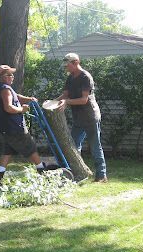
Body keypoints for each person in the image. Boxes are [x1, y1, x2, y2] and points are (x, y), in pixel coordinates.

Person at [55, 53, 107, 183]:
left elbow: (84, 100)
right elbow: (65, 94)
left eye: (68, 65)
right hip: (78, 118)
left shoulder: (85, 77)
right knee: (73, 145)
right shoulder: (70, 78)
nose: (66, 68)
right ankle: (79, 173)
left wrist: (66, 102)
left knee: (95, 146)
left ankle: (101, 176)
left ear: (76, 62)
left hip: (90, 117)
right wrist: (53, 102)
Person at [0, 65, 49, 186]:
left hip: (7, 128)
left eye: (12, 74)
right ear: (2, 77)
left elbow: (16, 96)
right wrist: (21, 110)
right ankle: (42, 172)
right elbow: (8, 107)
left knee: (7, 151)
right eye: (9, 75)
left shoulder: (4, 87)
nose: (12, 76)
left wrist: (29, 99)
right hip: (14, 127)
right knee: (31, 147)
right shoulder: (5, 89)